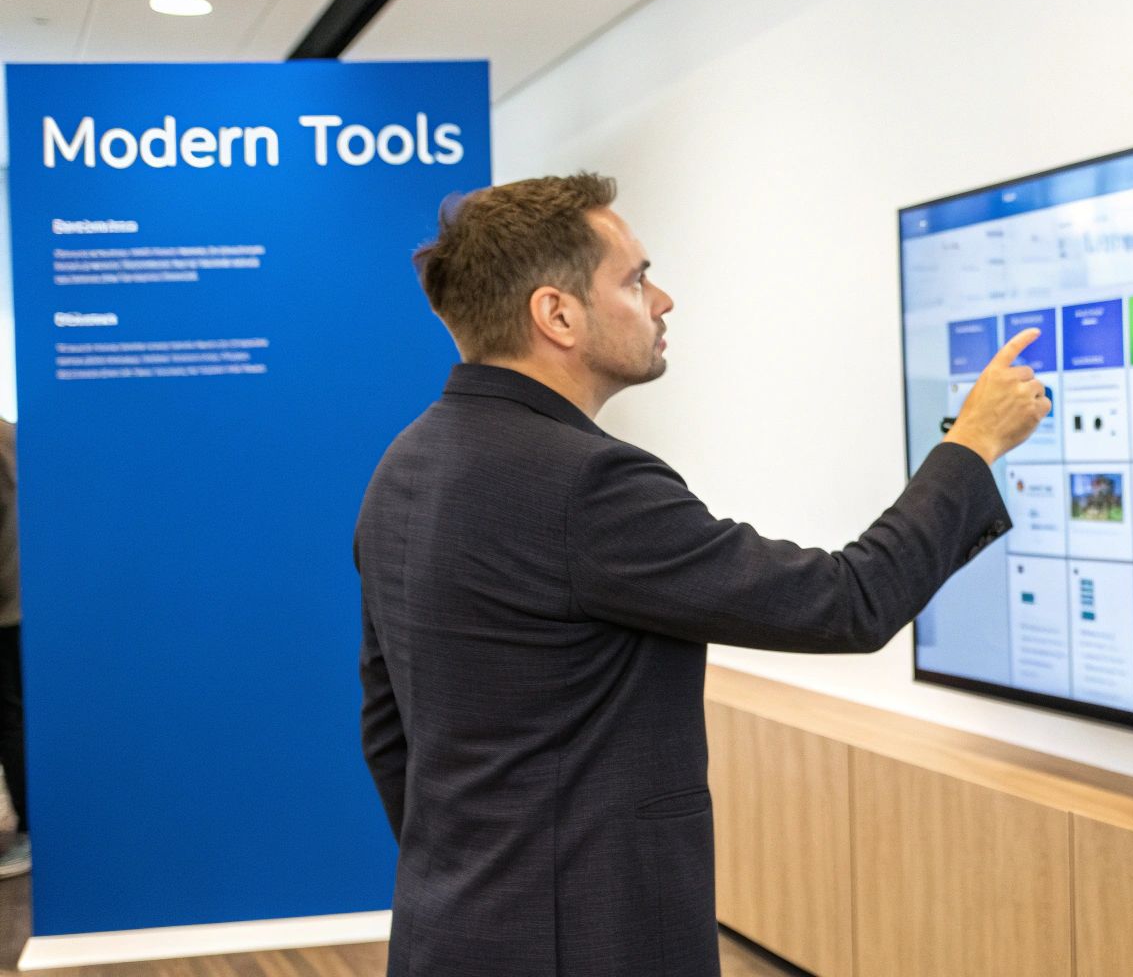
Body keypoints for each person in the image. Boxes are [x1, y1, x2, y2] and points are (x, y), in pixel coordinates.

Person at [354, 173, 1047, 976]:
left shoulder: (404, 465)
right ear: (557, 314)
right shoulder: (587, 483)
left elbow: (387, 731)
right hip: (584, 947)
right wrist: (972, 445)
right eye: (637, 279)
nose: (664, 301)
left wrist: (482, 870)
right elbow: (847, 601)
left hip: (450, 929)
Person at [0, 418, 26, 880]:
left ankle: (29, 831)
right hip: (19, 603)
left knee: (10, 720)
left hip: (4, 607)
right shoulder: (11, 434)